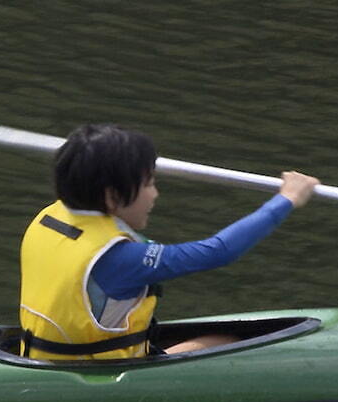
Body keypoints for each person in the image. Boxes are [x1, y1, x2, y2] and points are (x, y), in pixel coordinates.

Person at [19, 124, 320, 360]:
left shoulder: (51, 218)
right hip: (102, 376)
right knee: (228, 342)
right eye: (148, 183)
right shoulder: (120, 260)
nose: (155, 194)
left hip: (41, 357)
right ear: (111, 196)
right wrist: (287, 199)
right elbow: (219, 251)